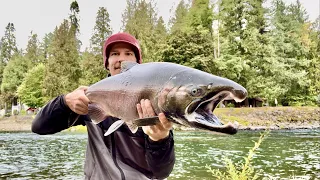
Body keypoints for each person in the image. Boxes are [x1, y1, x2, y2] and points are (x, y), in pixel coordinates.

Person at [32, 32, 175, 180]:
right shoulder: (91, 99)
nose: (121, 59)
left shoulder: (153, 103)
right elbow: (39, 127)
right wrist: (64, 102)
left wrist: (160, 140)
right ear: (107, 63)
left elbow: (161, 173)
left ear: (138, 63)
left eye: (128, 53)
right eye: (114, 54)